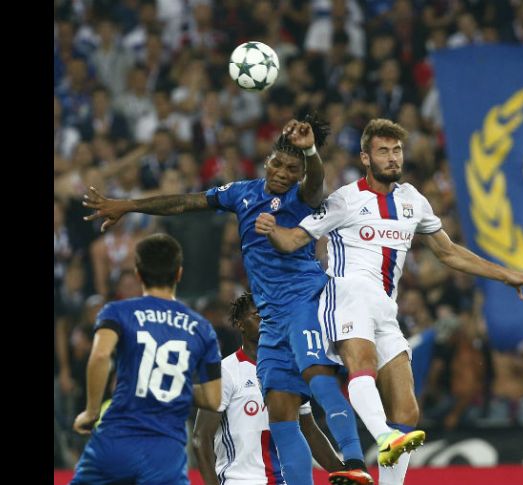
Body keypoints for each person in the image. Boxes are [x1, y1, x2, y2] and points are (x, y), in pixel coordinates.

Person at [82, 116, 372, 485]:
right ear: (267, 161)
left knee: (318, 376)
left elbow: (316, 183)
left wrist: (311, 151)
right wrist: (129, 205)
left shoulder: (302, 198)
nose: (282, 173)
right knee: (283, 412)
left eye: (292, 169)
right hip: (272, 317)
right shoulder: (242, 193)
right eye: (278, 164)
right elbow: (186, 203)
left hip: (305, 302)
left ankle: (354, 460)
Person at [255, 118, 523, 484]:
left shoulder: (413, 200)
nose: (392, 158)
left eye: (397, 151)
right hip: (347, 293)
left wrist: (505, 274)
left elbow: (449, 252)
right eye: (383, 151)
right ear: (365, 157)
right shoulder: (345, 199)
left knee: (407, 410)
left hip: (385, 308)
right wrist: (271, 230)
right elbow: (295, 239)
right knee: (362, 367)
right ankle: (382, 435)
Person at [70, 233, 223, 484]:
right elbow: (214, 399)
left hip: (115, 440)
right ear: (179, 274)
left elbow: (100, 355)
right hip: (165, 450)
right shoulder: (202, 329)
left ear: (138, 274)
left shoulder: (117, 312)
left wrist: (91, 412)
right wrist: (171, 383)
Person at [193, 290, 351, 485]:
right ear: (240, 324)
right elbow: (201, 438)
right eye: (257, 315)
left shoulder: (290, 371)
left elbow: (309, 431)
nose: (266, 320)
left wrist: (344, 473)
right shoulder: (225, 372)